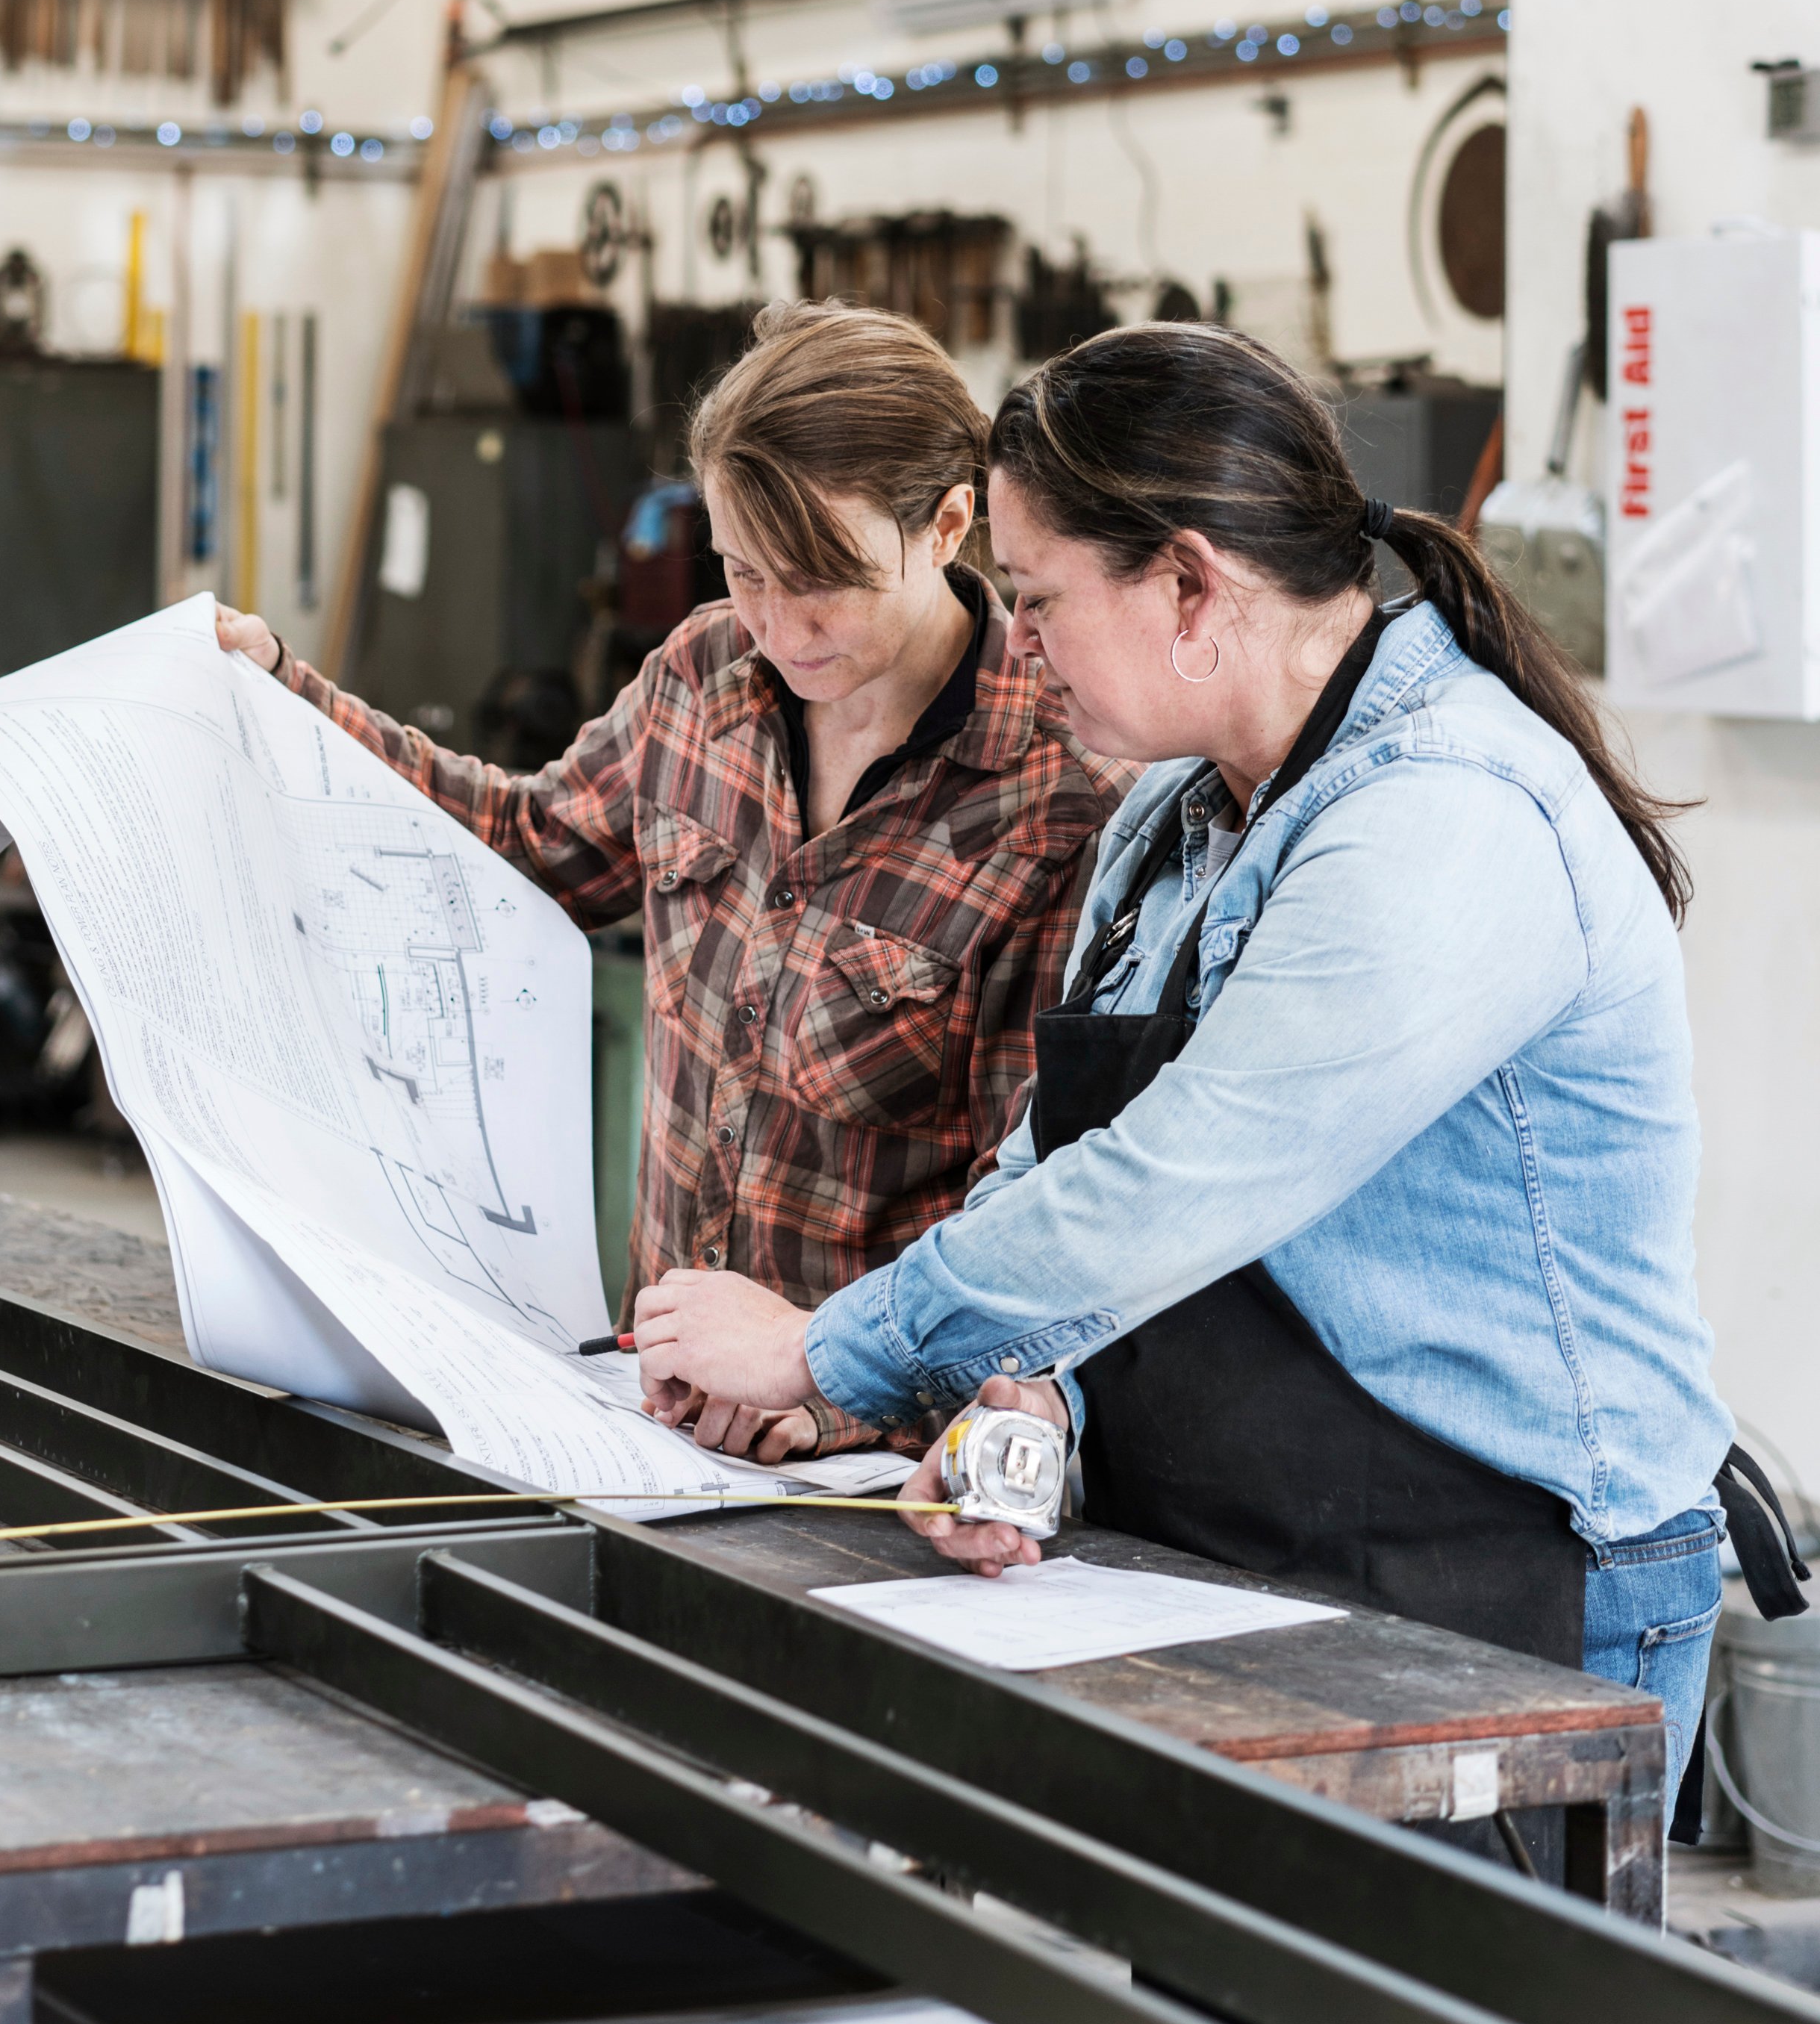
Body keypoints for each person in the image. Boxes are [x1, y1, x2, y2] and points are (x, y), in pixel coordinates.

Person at [635, 320, 1804, 1785]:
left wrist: (819, 1341)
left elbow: (1182, 1180)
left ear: (1188, 583)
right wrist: (1020, 1410)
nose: (1022, 638)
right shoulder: (1165, 824)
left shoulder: (1445, 815)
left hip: (1501, 1581)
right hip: (1233, 1560)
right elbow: (1049, 1174)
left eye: (1042, 597)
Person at [217, 301, 1115, 1453]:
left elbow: (1027, 1211)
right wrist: (288, 701)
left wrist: (850, 1390)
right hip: (645, 1416)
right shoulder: (703, 676)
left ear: (947, 526)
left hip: (852, 1465)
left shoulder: (1050, 803)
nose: (777, 623)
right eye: (743, 569)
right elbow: (526, 847)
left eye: (821, 580)